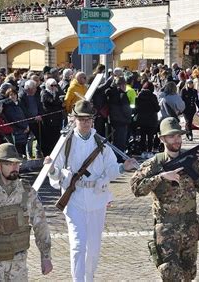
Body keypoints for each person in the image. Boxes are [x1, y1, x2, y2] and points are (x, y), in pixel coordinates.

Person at [45, 100, 138, 282]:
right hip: (74, 197)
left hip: (97, 198)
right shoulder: (66, 142)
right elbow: (55, 172)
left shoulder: (101, 143)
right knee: (78, 245)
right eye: (81, 119)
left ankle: (89, 279)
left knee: (94, 247)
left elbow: (110, 168)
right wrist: (51, 169)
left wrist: (122, 167)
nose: (85, 123)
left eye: (88, 119)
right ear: (74, 120)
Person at [130, 117, 199, 281]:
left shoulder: (192, 162)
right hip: (166, 230)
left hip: (190, 228)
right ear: (162, 138)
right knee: (170, 275)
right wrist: (161, 177)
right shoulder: (155, 164)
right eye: (171, 136)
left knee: (188, 274)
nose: (176, 140)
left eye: (178, 135)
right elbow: (136, 188)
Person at [0, 143, 53, 280]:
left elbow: (40, 223)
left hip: (18, 264)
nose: (15, 168)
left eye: (17, 164)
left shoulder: (26, 191)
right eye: (9, 164)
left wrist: (46, 256)